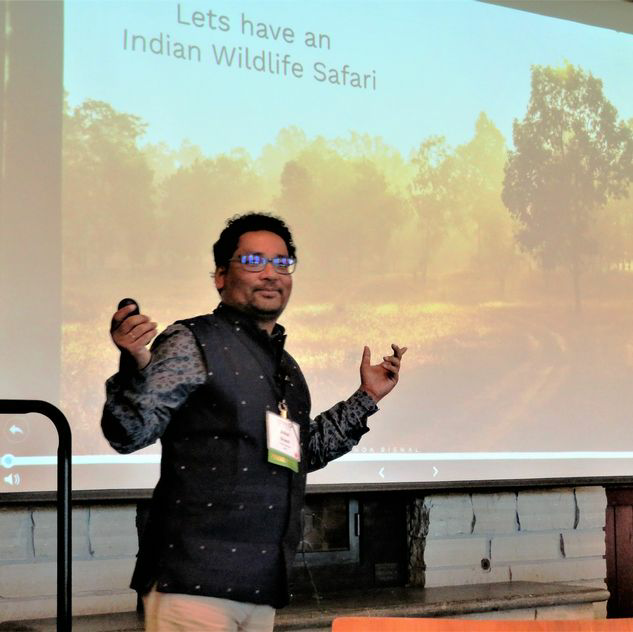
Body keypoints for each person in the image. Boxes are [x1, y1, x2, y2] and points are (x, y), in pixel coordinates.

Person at [101, 212, 406, 632]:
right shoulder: (192, 341)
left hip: (260, 589)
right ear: (220, 276)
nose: (270, 273)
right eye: (253, 261)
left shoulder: (287, 368)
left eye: (282, 262)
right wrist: (135, 366)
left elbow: (301, 453)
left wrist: (366, 397)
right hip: (193, 585)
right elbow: (129, 432)